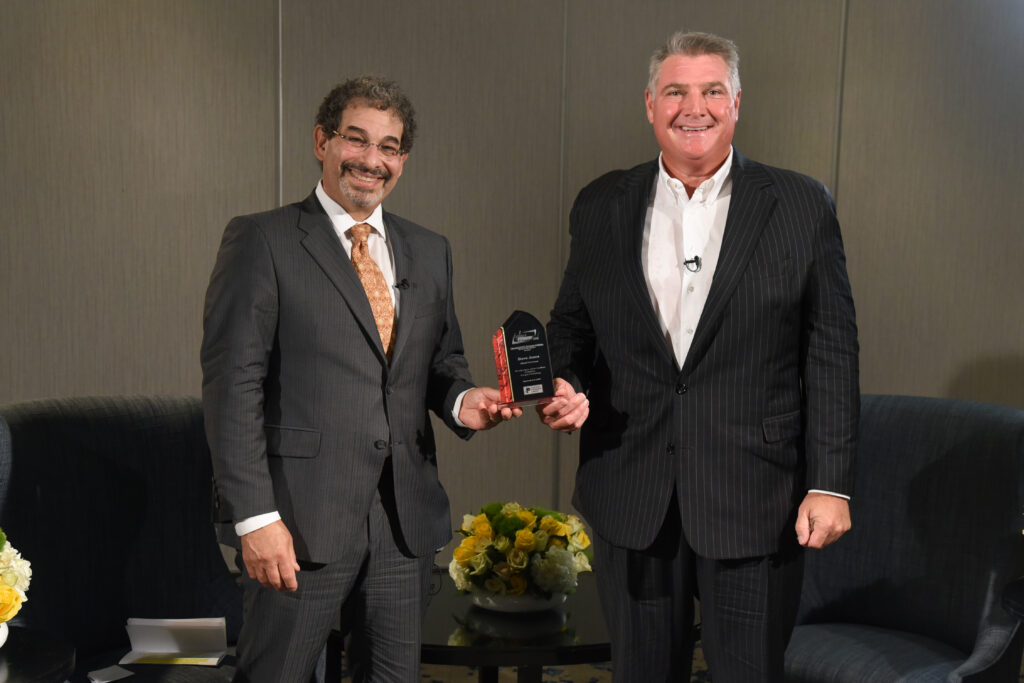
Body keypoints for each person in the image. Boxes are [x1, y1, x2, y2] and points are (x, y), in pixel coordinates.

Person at [538, 31, 860, 682]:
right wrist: (563, 382)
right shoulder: (600, 204)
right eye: (676, 92)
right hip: (630, 489)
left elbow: (831, 352)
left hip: (755, 497)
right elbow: (572, 326)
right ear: (650, 105)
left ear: (736, 102)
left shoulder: (801, 205)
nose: (695, 108)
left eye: (712, 91)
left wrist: (829, 483)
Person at [201, 76, 519, 682]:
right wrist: (255, 519)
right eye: (356, 139)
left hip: (403, 523)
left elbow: (439, 363)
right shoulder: (262, 240)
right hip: (296, 520)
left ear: (402, 160)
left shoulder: (430, 249)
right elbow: (231, 388)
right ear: (322, 142)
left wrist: (463, 402)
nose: (372, 159)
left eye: (389, 147)